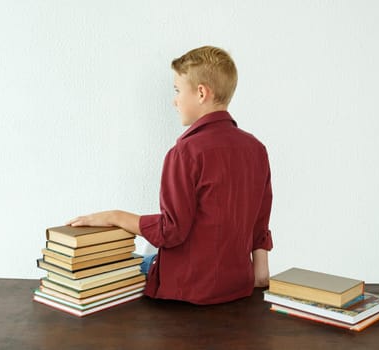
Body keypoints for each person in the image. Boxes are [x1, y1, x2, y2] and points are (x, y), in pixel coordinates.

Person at [67, 46, 273, 305]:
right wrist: (260, 272)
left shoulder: (185, 152)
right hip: (237, 285)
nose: (174, 100)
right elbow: (259, 220)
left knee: (121, 268)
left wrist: (114, 216)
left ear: (201, 93)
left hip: (190, 288)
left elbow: (170, 231)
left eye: (177, 90)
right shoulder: (256, 149)